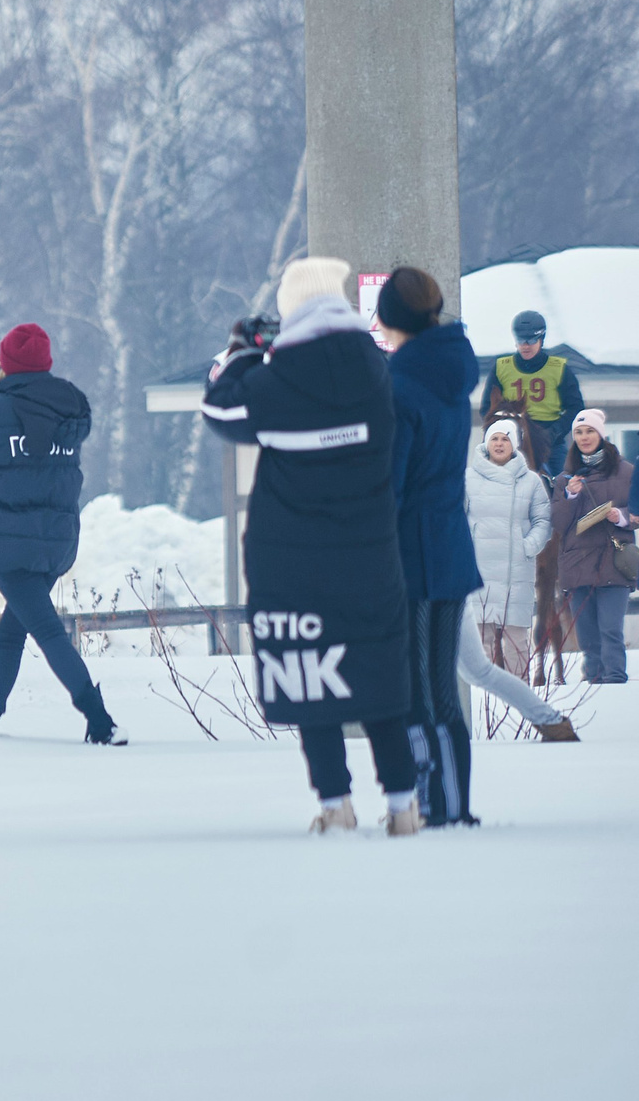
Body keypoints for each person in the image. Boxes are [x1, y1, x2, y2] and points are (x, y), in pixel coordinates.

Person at [202, 257, 420, 835]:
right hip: (373, 556)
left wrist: (244, 350)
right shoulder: (379, 371)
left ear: (290, 309)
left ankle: (335, 805)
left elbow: (220, 409)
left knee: (310, 678)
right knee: (379, 678)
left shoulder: (275, 381)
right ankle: (403, 806)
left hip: (290, 561)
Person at [0, 325, 122, 744]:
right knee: (12, 631)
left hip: (7, 544)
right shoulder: (73, 406)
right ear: (46, 361)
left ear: (5, 364)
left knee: (47, 631)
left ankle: (100, 719)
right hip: (57, 540)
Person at [376, 264, 482, 827]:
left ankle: (431, 803)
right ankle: (455, 803)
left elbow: (389, 483)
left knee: (412, 687)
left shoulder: (398, 386)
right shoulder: (454, 373)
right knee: (444, 686)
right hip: (449, 543)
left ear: (391, 319)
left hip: (407, 553)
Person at [550, 408, 633, 684]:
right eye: (579, 433)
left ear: (601, 435)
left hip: (614, 562)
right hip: (577, 568)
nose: (584, 437)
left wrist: (620, 516)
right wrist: (569, 496)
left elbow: (635, 513)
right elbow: (559, 525)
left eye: (590, 431)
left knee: (611, 630)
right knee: (586, 636)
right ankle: (595, 688)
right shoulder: (564, 479)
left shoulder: (627, 472)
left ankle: (616, 683)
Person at [465, 419, 551, 679]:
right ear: (486, 443)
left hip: (516, 572)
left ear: (514, 445)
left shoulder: (531, 481)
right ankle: (486, 702)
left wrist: (526, 547)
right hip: (477, 571)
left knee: (516, 644)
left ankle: (521, 699)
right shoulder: (467, 477)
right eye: (494, 438)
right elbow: (453, 518)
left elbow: (543, 521)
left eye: (505, 438)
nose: (499, 443)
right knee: (483, 643)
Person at [480, 309, 582, 477]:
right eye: (521, 340)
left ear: (541, 339)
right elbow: (487, 408)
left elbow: (576, 407)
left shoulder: (559, 368)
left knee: (563, 481)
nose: (525, 345)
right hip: (512, 437)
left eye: (531, 340)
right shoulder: (501, 367)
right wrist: (501, 430)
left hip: (549, 439)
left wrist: (554, 432)